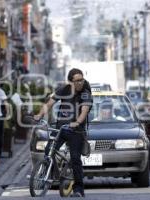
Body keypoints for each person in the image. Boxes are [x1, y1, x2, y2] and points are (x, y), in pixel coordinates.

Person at [34, 68, 93, 197]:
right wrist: (39, 115)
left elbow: (84, 110)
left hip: (76, 130)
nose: (80, 83)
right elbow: (49, 103)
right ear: (70, 82)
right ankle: (49, 174)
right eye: (77, 80)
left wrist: (77, 122)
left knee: (76, 159)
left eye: (81, 80)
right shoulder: (64, 90)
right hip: (61, 128)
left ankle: (78, 189)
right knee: (48, 150)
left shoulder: (85, 93)